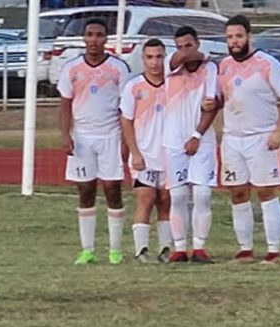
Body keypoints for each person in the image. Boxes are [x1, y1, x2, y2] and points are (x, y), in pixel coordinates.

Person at [217, 14, 280, 264]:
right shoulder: (224, 66)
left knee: (265, 191)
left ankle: (273, 252)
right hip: (232, 138)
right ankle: (245, 250)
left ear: (249, 36)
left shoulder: (267, 63)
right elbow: (223, 97)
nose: (234, 41)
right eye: (230, 37)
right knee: (238, 192)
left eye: (238, 36)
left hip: (262, 137)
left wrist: (279, 130)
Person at [58, 18, 131, 265]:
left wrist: (125, 140)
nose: (94, 40)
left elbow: (125, 107)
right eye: (89, 35)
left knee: (112, 189)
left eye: (99, 35)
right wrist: (65, 134)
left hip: (110, 135)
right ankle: (87, 249)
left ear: (106, 39)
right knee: (86, 190)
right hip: (82, 137)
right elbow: (65, 104)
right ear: (83, 38)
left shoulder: (118, 68)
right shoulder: (72, 68)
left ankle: (115, 250)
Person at [162, 26, 219, 264]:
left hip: (202, 139)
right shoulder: (170, 64)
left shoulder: (211, 69)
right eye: (179, 46)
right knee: (177, 196)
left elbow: (211, 105)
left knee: (203, 194)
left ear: (198, 43)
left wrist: (197, 134)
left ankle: (199, 247)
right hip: (173, 140)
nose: (183, 51)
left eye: (188, 45)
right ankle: (179, 248)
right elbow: (181, 59)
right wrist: (199, 54)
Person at [120, 38, 173, 264]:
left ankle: (166, 248)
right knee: (146, 198)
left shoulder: (174, 84)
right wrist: (135, 153)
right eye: (150, 57)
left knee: (166, 200)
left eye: (159, 57)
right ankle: (141, 249)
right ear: (143, 59)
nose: (155, 62)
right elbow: (126, 121)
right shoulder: (134, 87)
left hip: (169, 155)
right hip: (145, 155)